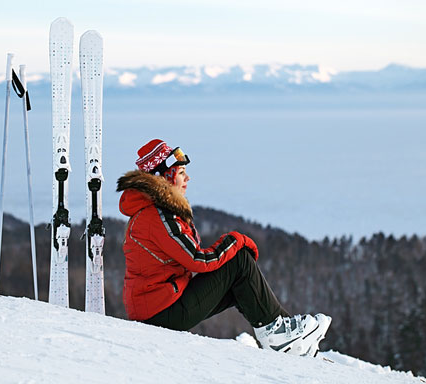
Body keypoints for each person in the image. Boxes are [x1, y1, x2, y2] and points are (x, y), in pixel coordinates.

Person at [117, 139, 331, 356]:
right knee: (238, 262)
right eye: (181, 172)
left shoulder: (155, 212)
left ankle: (286, 336)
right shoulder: (157, 216)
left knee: (238, 281)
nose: (187, 178)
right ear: (164, 177)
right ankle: (280, 336)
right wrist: (237, 240)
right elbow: (198, 260)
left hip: (159, 307)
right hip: (160, 314)